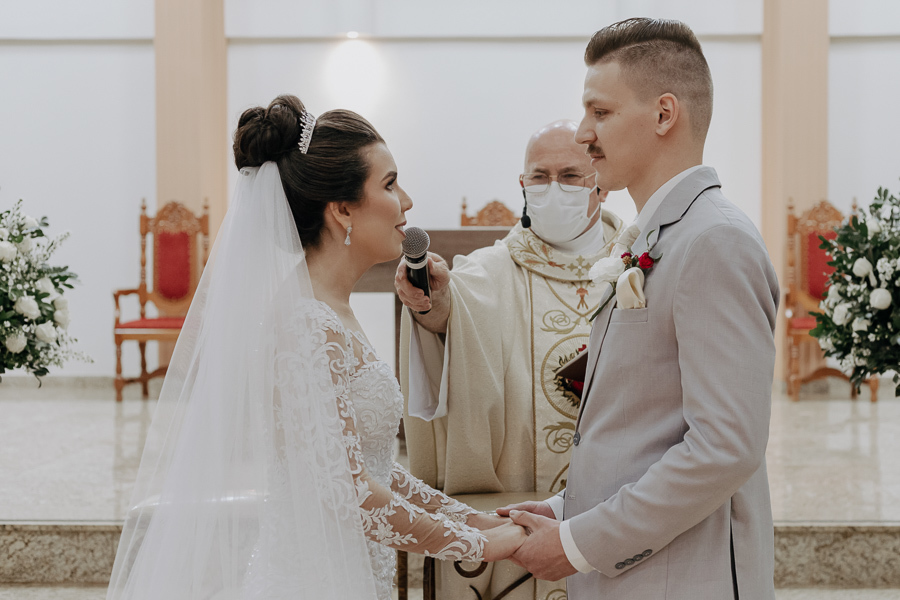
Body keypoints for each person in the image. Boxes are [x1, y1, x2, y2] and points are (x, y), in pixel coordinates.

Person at [105, 95, 526, 600]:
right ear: (342, 209)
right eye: (390, 184)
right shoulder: (307, 321)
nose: (407, 201)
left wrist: (473, 519)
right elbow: (347, 491)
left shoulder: (328, 307)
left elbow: (368, 466)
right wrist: (477, 545)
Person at [499, 18, 779, 600]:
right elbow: (642, 425)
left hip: (685, 581)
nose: (583, 133)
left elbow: (725, 449)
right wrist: (566, 511)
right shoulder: (655, 236)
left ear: (664, 114)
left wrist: (579, 544)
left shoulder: (714, 241)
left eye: (600, 112)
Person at [395, 120, 624, 600]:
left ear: (599, 184)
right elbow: (454, 309)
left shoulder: (638, 264)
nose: (553, 188)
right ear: (522, 184)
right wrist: (434, 308)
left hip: (618, 515)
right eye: (539, 177)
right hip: (521, 514)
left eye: (570, 176)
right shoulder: (493, 268)